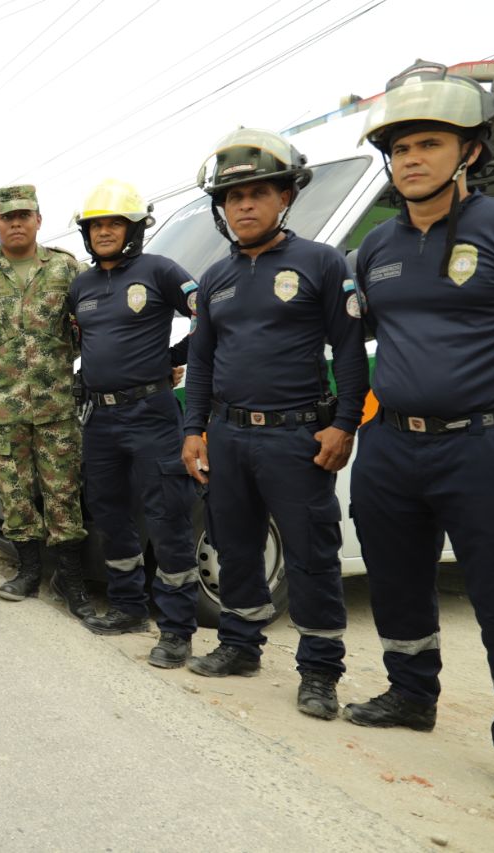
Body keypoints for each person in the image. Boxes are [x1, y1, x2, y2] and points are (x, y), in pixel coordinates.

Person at [181, 129, 368, 720]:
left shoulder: (320, 262)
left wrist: (344, 425)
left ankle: (319, 672)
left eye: (258, 193)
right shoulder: (214, 279)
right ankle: (240, 646)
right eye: (233, 198)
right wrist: (194, 430)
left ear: (285, 196)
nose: (244, 206)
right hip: (229, 436)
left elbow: (352, 351)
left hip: (297, 436)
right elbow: (202, 362)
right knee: (235, 546)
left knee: (312, 554)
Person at [343, 60, 494, 747]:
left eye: (429, 143)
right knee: (396, 577)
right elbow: (352, 337)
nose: (411, 159)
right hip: (391, 446)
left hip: (479, 445)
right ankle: (411, 693)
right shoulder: (376, 245)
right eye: (400, 148)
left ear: (470, 149)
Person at [71, 178, 200, 666]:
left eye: (114, 223)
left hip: (153, 413)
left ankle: (176, 630)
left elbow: (209, 313)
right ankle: (126, 606)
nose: (104, 232)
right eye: (96, 225)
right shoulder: (80, 287)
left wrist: (176, 355)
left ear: (133, 229)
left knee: (168, 517)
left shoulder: (160, 270)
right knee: (110, 513)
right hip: (99, 417)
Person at [0, 185, 90, 608]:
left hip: (56, 407)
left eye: (23, 215)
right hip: (2, 410)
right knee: (15, 494)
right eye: (7, 217)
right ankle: (29, 570)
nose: (15, 223)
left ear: (38, 220)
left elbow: (93, 329)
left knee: (64, 492)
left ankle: (71, 578)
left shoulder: (67, 270)